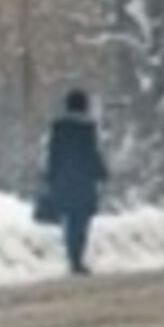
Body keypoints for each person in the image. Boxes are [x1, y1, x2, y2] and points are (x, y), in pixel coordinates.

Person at [44, 88, 109, 275]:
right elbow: (91, 154)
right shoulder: (87, 128)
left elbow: (53, 154)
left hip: (64, 180)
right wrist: (101, 173)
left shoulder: (58, 127)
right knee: (81, 222)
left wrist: (51, 176)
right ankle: (77, 258)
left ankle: (72, 256)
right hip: (83, 182)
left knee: (69, 219)